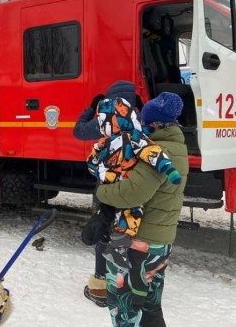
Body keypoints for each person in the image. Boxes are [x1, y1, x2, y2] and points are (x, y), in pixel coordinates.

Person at [96, 92, 188, 327]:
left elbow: (133, 193)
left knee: (124, 310)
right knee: (149, 308)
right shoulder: (178, 148)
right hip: (160, 243)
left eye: (146, 123)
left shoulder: (157, 150)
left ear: (155, 124)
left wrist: (101, 192)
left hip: (138, 244)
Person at [86, 97, 181, 271]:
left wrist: (169, 170)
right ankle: (111, 247)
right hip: (113, 184)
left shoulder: (134, 138)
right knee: (122, 215)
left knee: (126, 216)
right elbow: (94, 157)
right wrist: (93, 166)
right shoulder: (110, 140)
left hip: (114, 186)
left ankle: (115, 252)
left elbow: (152, 154)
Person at [74, 80, 138, 307]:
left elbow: (78, 130)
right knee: (127, 233)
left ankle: (101, 287)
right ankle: (127, 287)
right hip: (132, 189)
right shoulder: (140, 120)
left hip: (106, 188)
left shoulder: (104, 120)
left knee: (103, 231)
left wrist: (91, 108)